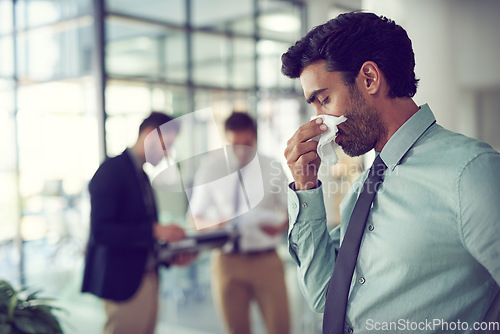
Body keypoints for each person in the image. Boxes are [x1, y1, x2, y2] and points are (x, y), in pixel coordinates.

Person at [282, 11, 500, 334]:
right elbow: (325, 296)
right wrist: (305, 185)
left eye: (324, 100)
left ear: (369, 79)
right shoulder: (363, 190)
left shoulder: (470, 174)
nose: (318, 124)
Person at [82, 112, 196, 334]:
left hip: (147, 278)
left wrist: (170, 254)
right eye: (167, 144)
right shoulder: (111, 171)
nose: (168, 153)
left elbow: (140, 232)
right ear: (150, 135)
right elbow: (101, 232)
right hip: (124, 285)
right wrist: (155, 230)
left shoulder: (140, 174)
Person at [189, 112, 290, 334]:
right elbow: (195, 219)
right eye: (235, 145)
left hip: (266, 260)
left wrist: (280, 225)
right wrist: (221, 223)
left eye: (248, 144)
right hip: (227, 262)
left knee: (281, 328)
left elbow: (292, 210)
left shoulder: (271, 166)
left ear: (255, 138)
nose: (242, 151)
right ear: (226, 139)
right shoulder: (211, 168)